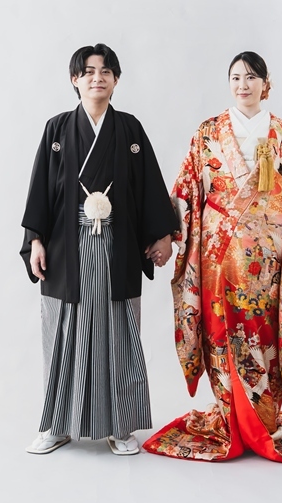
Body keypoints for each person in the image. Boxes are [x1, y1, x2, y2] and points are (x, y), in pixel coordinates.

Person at [143, 51, 282, 463]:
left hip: (267, 257)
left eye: (251, 77)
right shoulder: (208, 132)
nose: (243, 85)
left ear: (265, 83)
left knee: (263, 330)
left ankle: (262, 420)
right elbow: (187, 187)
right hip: (217, 253)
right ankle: (229, 419)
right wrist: (166, 234)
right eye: (236, 77)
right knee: (220, 330)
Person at [20, 43, 178, 456]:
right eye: (88, 71)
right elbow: (41, 190)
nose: (97, 78)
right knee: (63, 334)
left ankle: (119, 427)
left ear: (116, 80)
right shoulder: (57, 129)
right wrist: (35, 240)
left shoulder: (129, 130)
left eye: (106, 71)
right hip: (66, 248)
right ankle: (57, 424)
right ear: (75, 79)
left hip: (116, 246)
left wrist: (162, 235)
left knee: (118, 333)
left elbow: (149, 187)